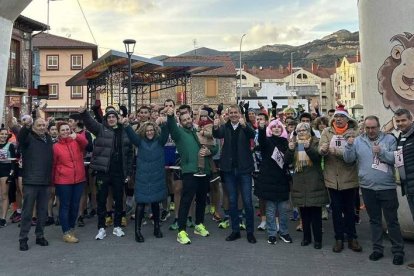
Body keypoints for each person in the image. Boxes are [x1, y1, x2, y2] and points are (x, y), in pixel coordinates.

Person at [343, 115, 404, 265]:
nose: (370, 131)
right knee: (374, 220)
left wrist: (381, 152)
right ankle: (377, 249)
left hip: (387, 187)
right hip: (367, 187)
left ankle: (398, 251)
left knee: (392, 221)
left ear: (378, 126)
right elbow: (348, 159)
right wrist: (349, 146)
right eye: (368, 128)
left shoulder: (389, 139)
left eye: (373, 127)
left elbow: (395, 159)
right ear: (364, 127)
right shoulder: (358, 140)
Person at [79, 106, 133, 240]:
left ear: (117, 118)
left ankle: (117, 226)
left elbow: (129, 153)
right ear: (106, 119)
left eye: (113, 117)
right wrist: (84, 113)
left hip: (119, 171)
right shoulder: (101, 129)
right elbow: (90, 123)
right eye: (109, 117)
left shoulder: (125, 131)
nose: (111, 119)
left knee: (119, 199)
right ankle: (101, 227)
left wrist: (128, 172)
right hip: (103, 170)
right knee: (101, 199)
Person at [166, 106, 217, 245]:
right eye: (184, 120)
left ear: (192, 118)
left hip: (204, 170)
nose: (187, 121)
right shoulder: (179, 134)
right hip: (189, 171)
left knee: (201, 200)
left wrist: (209, 152)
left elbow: (214, 145)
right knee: (186, 201)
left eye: (189, 118)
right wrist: (170, 117)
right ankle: (181, 231)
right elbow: (171, 128)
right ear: (181, 122)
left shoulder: (199, 132)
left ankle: (199, 224)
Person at [319, 104, 362, 253]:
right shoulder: (326, 131)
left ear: (347, 119)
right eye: (336, 117)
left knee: (349, 209)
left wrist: (335, 151)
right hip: (332, 178)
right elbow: (321, 149)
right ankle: (338, 238)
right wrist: (323, 150)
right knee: (336, 209)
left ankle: (352, 237)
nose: (338, 119)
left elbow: (352, 155)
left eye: (341, 116)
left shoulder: (354, 133)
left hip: (349, 177)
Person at [212, 105, 257, 243]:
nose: (233, 115)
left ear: (240, 114)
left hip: (244, 169)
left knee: (248, 201)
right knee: (232, 201)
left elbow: (253, 134)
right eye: (231, 113)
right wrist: (214, 126)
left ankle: (250, 232)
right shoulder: (225, 127)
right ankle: (235, 230)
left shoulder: (245, 125)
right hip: (229, 169)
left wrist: (245, 125)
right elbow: (217, 134)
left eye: (235, 113)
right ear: (228, 114)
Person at [123, 118, 169, 243]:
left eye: (152, 130)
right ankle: (137, 231)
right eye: (147, 130)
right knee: (141, 204)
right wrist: (127, 125)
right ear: (144, 131)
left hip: (156, 177)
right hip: (143, 178)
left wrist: (164, 123)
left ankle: (157, 227)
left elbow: (165, 132)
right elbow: (132, 135)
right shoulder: (140, 142)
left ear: (155, 131)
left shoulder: (160, 141)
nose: (150, 132)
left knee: (155, 204)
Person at [285, 122, 328, 249]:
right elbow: (287, 162)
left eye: (304, 130)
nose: (302, 133)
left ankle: (318, 240)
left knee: (316, 214)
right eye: (299, 131)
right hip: (299, 182)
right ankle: (306, 237)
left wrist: (308, 148)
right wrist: (290, 149)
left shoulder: (316, 142)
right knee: (304, 214)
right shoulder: (294, 143)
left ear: (310, 131)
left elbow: (317, 158)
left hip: (314, 182)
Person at [18, 116, 53, 251]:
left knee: (43, 211)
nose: (42, 128)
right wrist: (26, 126)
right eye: (39, 125)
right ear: (33, 127)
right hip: (31, 181)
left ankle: (40, 235)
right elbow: (21, 136)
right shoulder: (27, 139)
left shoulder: (48, 139)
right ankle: (23, 238)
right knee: (27, 212)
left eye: (44, 125)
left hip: (45, 181)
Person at [255, 119, 292, 244]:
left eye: (279, 127)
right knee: (270, 210)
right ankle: (271, 233)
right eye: (274, 127)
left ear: (282, 130)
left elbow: (288, 161)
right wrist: (261, 128)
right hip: (268, 179)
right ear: (270, 129)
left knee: (283, 210)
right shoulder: (267, 141)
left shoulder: (286, 142)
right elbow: (261, 140)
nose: (276, 129)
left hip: (282, 179)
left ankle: (284, 232)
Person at [52, 122, 88, 243]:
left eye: (67, 129)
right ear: (58, 132)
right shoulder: (55, 146)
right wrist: (53, 182)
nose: (66, 132)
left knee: (75, 205)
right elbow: (53, 165)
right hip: (63, 181)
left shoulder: (76, 142)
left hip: (79, 179)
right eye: (63, 130)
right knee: (65, 206)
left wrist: (76, 136)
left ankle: (71, 228)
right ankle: (66, 231)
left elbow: (85, 143)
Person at [393, 108, 414, 269]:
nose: (400, 124)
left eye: (403, 121)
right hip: (409, 186)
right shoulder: (402, 137)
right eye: (398, 121)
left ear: (410, 119)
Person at [0, 128, 16, 227]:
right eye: (2, 134)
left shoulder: (10, 145)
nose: (4, 136)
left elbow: (14, 161)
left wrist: (11, 174)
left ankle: (3, 218)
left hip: (5, 171)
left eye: (6, 134)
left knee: (4, 195)